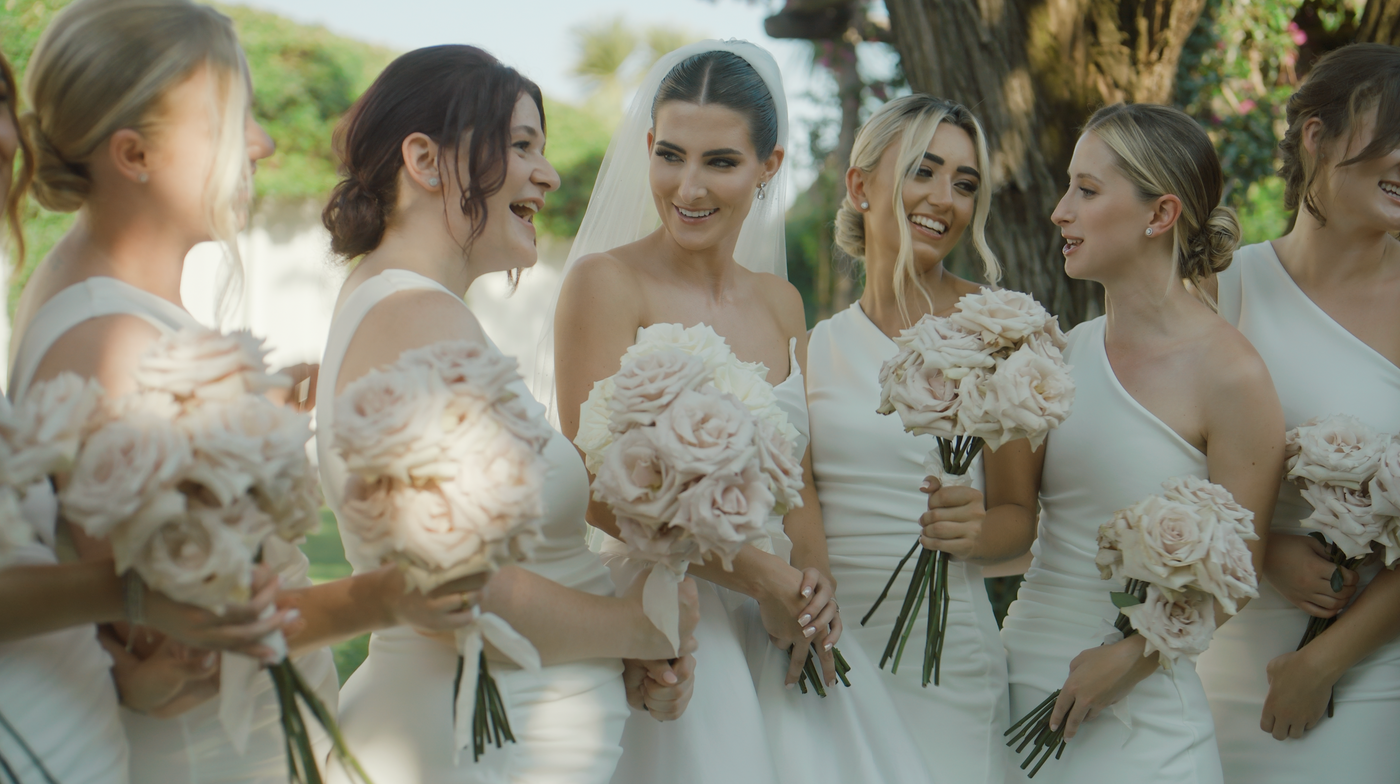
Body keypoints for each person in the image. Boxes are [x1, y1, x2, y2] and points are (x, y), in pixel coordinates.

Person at [313, 44, 699, 784]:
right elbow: (449, 588)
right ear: (425, 160)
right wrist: (639, 630)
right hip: (471, 746)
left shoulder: (412, 308)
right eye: (522, 146)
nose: (548, 176)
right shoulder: (416, 316)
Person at [551, 39, 928, 784]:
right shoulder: (606, 282)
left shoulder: (781, 301)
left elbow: (798, 474)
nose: (687, 186)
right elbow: (593, 487)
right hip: (672, 607)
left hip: (783, 613)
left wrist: (811, 586)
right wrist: (764, 578)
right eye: (670, 154)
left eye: (720, 161)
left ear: (769, 166)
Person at [2, 1, 332, 780]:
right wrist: (396, 598)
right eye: (232, 119)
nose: (265, 143)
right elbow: (174, 647)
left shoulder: (113, 309)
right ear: (134, 153)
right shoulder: (104, 337)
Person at [997, 103, 1284, 783]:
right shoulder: (1059, 357)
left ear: (1160, 215)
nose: (1060, 211)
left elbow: (1239, 570)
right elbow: (1008, 524)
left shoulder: (1232, 374)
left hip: (1141, 722)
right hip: (1018, 690)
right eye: (1069, 187)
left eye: (1087, 191)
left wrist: (1129, 659)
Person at [805, 93, 1038, 783]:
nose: (946, 198)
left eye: (965, 184)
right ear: (860, 186)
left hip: (948, 668)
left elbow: (1018, 523)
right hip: (833, 656)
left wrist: (974, 533)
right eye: (923, 172)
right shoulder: (810, 348)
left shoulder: (997, 330)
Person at [1196, 43, 1400, 780]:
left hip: (1365, 672)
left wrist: (1326, 663)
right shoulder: (1226, 289)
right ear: (1314, 135)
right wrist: (1262, 550)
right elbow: (1166, 462)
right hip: (1219, 657)